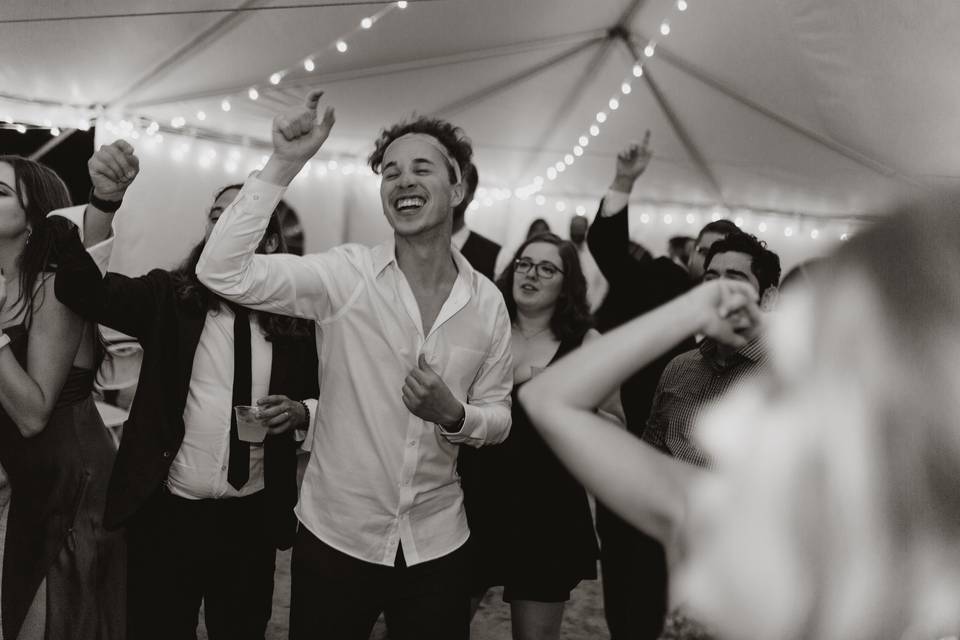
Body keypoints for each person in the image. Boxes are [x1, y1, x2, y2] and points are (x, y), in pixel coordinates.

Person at [520, 192, 960, 640]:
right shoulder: (739, 513)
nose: (718, 429)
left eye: (792, 392)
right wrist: (696, 307)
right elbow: (547, 399)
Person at [196, 90, 513, 640]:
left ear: (457, 188)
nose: (403, 181)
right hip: (336, 539)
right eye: (390, 173)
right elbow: (223, 272)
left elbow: (500, 416)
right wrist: (285, 163)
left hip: (437, 544)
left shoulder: (488, 303)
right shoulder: (345, 277)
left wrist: (456, 415)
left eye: (422, 168)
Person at [54, 177, 319, 640]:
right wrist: (104, 202)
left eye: (242, 216)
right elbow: (85, 291)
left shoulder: (299, 321)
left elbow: (330, 394)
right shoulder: (167, 298)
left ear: (271, 240)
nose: (224, 224)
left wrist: (302, 412)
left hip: (250, 523)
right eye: (217, 215)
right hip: (167, 515)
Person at [463, 232, 621, 640]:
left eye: (547, 268)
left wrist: (568, 399)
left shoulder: (587, 344)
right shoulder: (482, 328)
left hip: (547, 513)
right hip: (472, 501)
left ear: (567, 283)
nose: (531, 274)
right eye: (524, 263)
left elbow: (617, 428)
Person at [0, 152, 128, 640]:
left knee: (60, 619)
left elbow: (33, 412)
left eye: (1, 192)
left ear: (35, 215)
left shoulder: (55, 285)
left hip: (68, 477)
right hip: (24, 473)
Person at [642, 231, 780, 468]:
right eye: (711, 279)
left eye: (734, 280)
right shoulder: (679, 367)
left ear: (767, 299)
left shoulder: (784, 378)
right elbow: (649, 456)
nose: (718, 291)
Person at [451, 162, 501, 281]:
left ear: (471, 196)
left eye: (457, 186)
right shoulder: (407, 248)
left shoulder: (497, 257)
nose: (448, 192)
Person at [569, 214, 608, 313]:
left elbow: (602, 284)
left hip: (590, 308)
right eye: (574, 227)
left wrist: (592, 306)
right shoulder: (563, 251)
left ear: (586, 229)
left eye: (580, 228)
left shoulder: (594, 253)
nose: (577, 231)